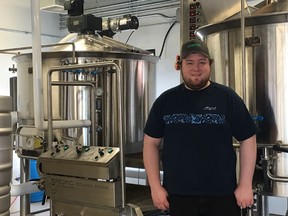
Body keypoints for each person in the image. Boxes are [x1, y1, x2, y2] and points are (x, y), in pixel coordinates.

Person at [143, 39, 258, 216]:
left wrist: (245, 185)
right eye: (190, 62)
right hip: (178, 196)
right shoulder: (165, 101)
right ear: (179, 65)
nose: (196, 68)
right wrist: (155, 187)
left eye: (202, 62)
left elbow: (248, 138)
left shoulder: (228, 98)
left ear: (210, 65)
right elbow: (150, 143)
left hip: (222, 195)